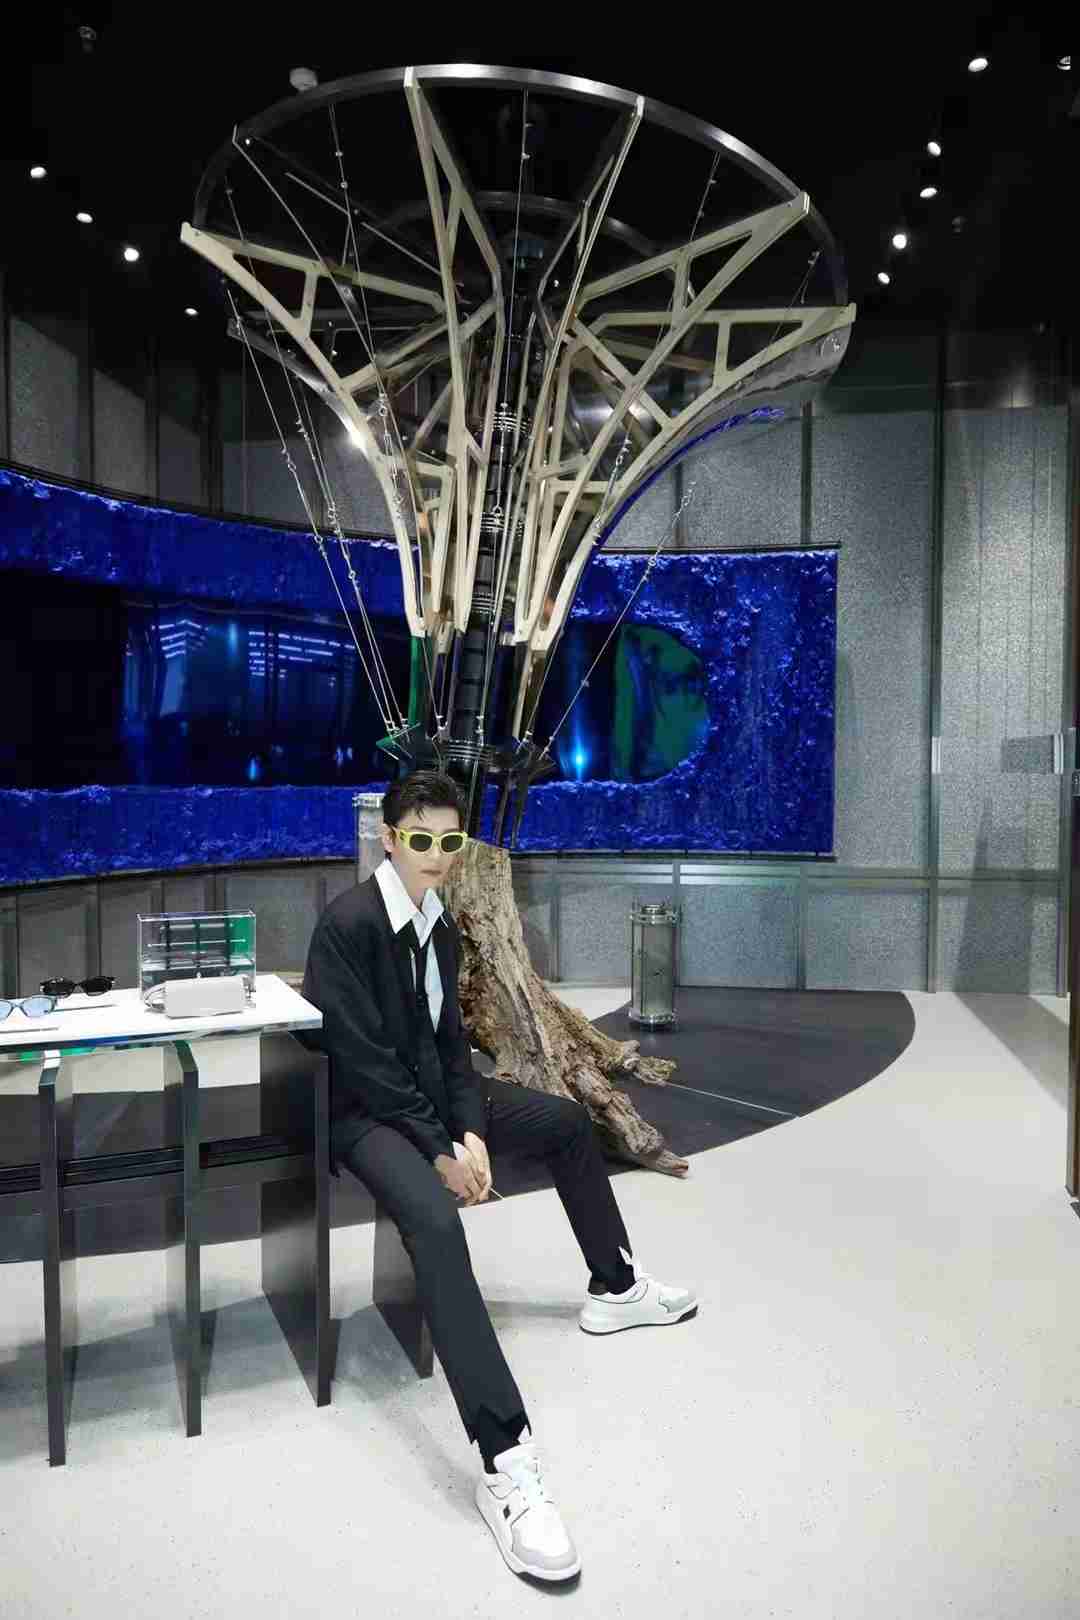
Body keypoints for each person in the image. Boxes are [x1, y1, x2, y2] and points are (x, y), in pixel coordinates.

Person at [302, 769, 699, 1583]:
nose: (437, 854)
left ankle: (615, 1285)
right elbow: (365, 1065)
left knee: (564, 1123)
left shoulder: (439, 925)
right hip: (367, 1116)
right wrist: (440, 1151)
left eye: (450, 840)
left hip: (430, 1103)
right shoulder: (347, 926)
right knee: (437, 1222)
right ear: (390, 839)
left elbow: (451, 1048)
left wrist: (473, 1130)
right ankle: (505, 1460)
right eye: (421, 838)